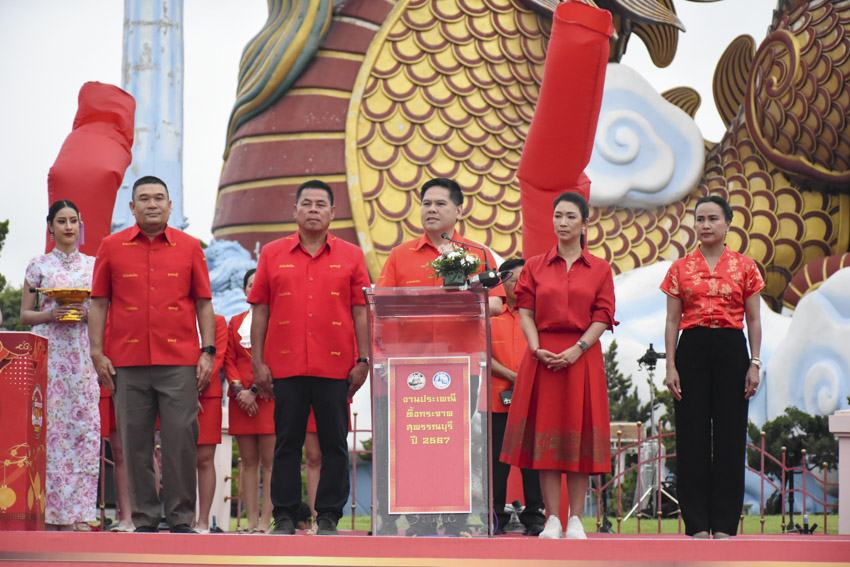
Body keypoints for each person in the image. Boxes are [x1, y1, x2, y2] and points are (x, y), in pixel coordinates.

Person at [88, 175, 215, 534]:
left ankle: (180, 518)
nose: (152, 204)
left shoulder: (190, 247)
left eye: (159, 198)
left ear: (170, 206)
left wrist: (207, 351)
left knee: (181, 443)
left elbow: (204, 303)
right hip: (126, 363)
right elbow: (99, 303)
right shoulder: (111, 247)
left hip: (179, 361)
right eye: (144, 198)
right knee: (134, 445)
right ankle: (144, 518)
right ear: (132, 207)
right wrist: (96, 352)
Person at [249, 179, 371, 536]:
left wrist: (363, 360)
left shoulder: (352, 255)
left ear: (333, 212)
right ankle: (285, 516)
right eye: (307, 203)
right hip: (285, 366)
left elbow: (361, 311)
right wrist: (258, 362)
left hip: (335, 366)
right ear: (295, 210)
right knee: (286, 444)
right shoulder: (272, 253)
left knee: (335, 444)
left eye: (321, 204)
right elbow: (260, 310)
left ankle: (329, 516)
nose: (313, 210)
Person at [500, 191, 616, 540]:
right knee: (545, 440)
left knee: (579, 438)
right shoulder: (535, 266)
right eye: (558, 216)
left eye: (570, 217)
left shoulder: (600, 268)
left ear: (584, 222)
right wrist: (536, 349)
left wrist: (579, 348)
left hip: (583, 356)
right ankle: (552, 518)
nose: (562, 223)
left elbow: (603, 315)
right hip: (543, 357)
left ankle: (576, 518)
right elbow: (525, 312)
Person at [660, 194, 763, 539]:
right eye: (700, 219)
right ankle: (697, 524)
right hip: (691, 349)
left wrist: (754, 362)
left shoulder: (746, 267)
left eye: (713, 219)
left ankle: (724, 525)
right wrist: (671, 365)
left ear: (728, 223)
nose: (705, 225)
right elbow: (671, 321)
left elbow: (754, 319)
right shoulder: (679, 268)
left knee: (731, 436)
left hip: (733, 349)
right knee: (691, 437)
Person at [20, 200, 99, 531]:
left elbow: (105, 313)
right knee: (49, 432)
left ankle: (80, 514)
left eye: (74, 221)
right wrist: (50, 314)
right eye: (62, 221)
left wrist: (87, 314)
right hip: (49, 356)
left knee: (85, 429)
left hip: (82, 355)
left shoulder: (95, 265)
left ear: (80, 226)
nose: (68, 227)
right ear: (50, 226)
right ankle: (47, 513)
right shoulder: (38, 265)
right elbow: (25, 315)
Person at [376, 177, 504, 313]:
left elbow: (495, 304)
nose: (431, 209)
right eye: (426, 204)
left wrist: (449, 305)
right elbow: (379, 303)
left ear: (458, 211)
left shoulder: (479, 253)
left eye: (440, 204)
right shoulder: (399, 254)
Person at [485, 258, 545, 536]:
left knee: (533, 462)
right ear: (501, 282)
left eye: (525, 279)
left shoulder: (537, 317)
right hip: (497, 400)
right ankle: (495, 516)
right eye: (514, 279)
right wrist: (512, 375)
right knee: (497, 464)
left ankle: (535, 517)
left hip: (533, 399)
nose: (520, 284)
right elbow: (481, 353)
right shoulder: (490, 316)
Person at [224, 269, 275, 533]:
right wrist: (240, 392)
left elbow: (275, 358)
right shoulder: (235, 322)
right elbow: (228, 359)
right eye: (250, 285)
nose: (254, 288)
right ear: (244, 290)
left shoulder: (277, 321)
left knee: (271, 463)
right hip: (240, 401)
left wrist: (253, 390)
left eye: (258, 284)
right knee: (248, 462)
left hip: (268, 396)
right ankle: (251, 521)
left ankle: (266, 521)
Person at [195, 314, 227, 533]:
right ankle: (184, 518)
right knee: (180, 459)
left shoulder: (218, 321)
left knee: (205, 459)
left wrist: (195, 388)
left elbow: (218, 357)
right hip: (176, 393)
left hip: (207, 395)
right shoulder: (177, 316)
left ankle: (203, 520)